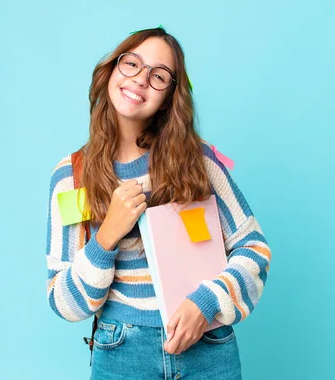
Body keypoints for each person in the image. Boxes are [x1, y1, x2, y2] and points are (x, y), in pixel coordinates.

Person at [45, 26, 271, 380]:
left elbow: (254, 250)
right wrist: (106, 236)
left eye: (159, 75)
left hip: (209, 348)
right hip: (121, 353)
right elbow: (64, 302)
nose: (140, 80)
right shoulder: (72, 176)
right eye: (132, 64)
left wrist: (206, 302)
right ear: (112, 70)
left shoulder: (199, 161)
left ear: (170, 96)